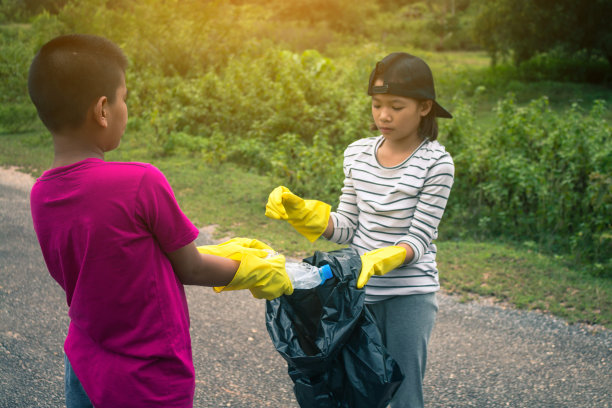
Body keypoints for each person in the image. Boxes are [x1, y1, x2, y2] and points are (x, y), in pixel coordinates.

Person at [27, 34, 292, 408]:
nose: (125, 109)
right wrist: (253, 269)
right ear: (102, 109)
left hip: (84, 365)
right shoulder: (139, 182)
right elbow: (191, 267)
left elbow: (108, 259)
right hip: (147, 377)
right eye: (124, 98)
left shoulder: (41, 194)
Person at [265, 52, 454, 408]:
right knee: (356, 390)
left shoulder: (437, 163)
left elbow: (419, 237)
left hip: (408, 295)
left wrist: (389, 257)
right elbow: (347, 227)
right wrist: (305, 214)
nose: (384, 115)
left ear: (425, 107)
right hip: (357, 292)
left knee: (403, 394)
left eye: (396, 106)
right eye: (377, 105)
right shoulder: (357, 154)